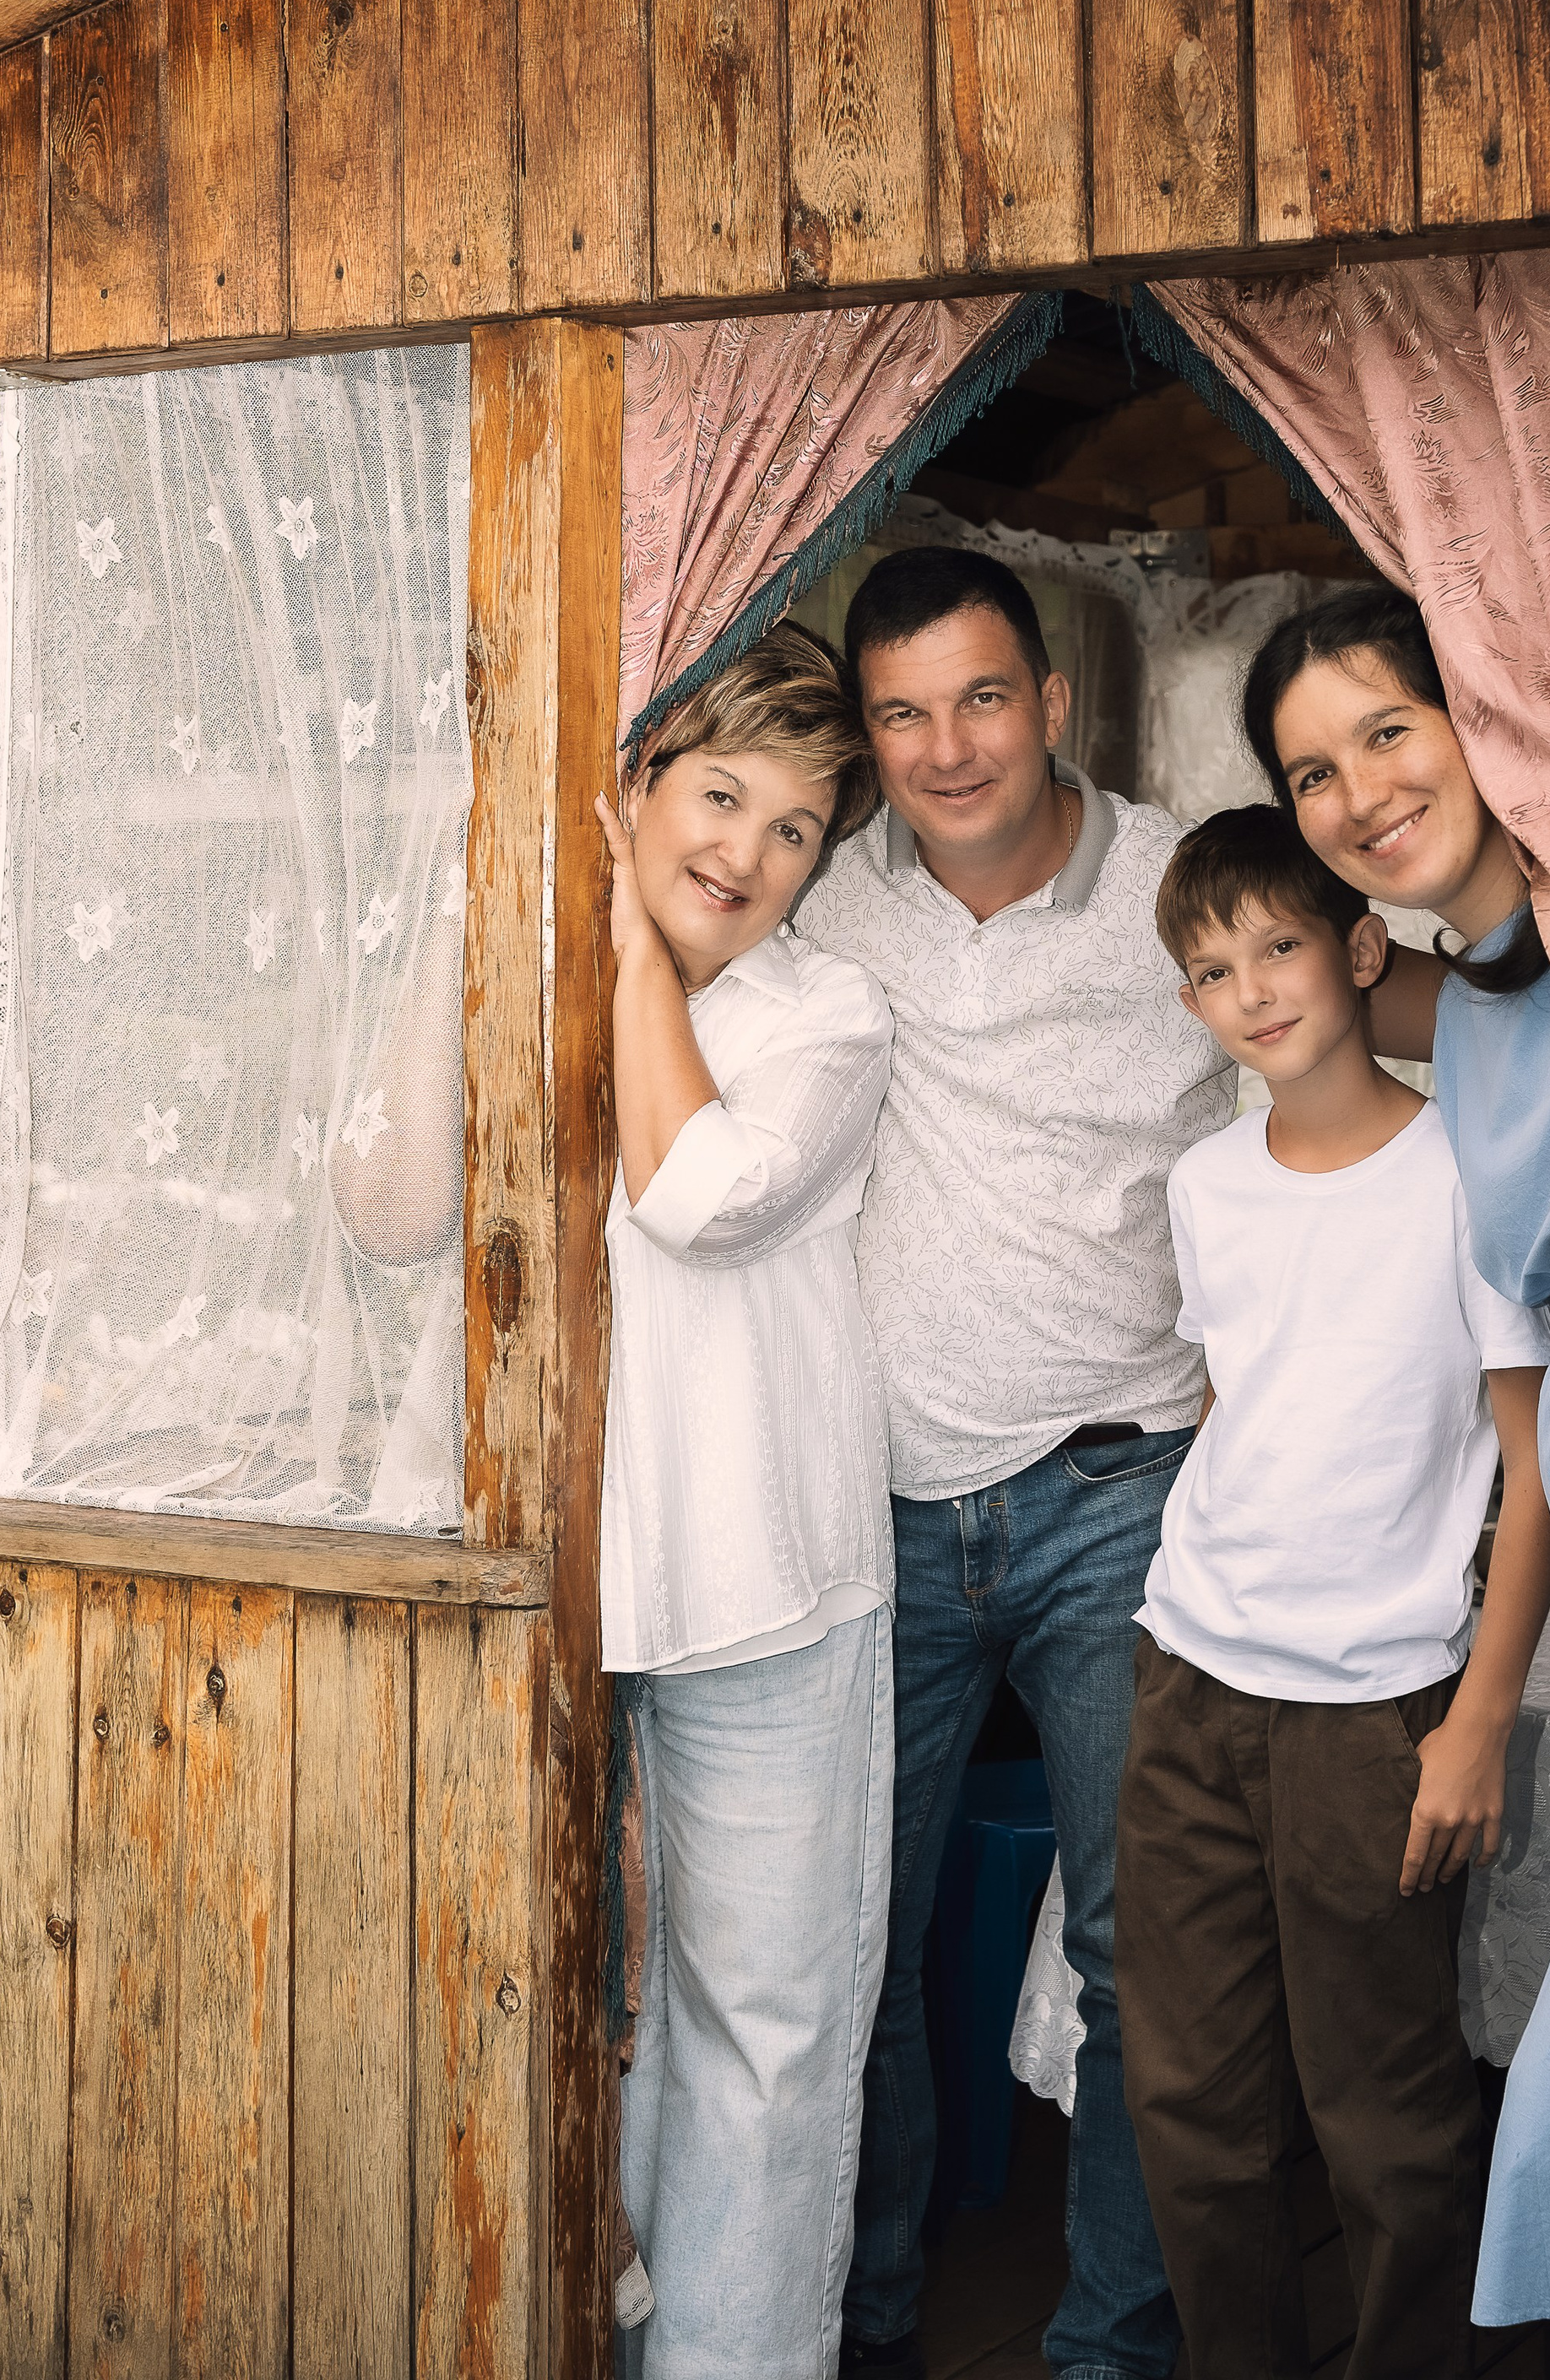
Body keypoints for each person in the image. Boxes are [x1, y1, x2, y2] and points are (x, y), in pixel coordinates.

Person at [796, 544, 1233, 2380]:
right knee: (849, 1945)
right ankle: (869, 2323)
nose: (947, 746)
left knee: (1148, 1958)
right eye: (901, 711)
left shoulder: (1179, 887)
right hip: (875, 1500)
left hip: (1118, 1486)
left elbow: (1366, 1024)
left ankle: (1105, 2351)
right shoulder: (820, 906)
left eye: (981, 696)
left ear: (1050, 697)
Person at [1114, 803, 1550, 2380]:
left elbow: (1535, 1473)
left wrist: (1479, 1721)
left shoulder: (1470, 1170)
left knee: (1384, 2117)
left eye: (1281, 946)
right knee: (1187, 2102)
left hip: (1377, 1710)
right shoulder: (1206, 1184)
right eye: (1211, 968)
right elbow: (1249, 1403)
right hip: (1189, 1676)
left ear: (1363, 949)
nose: (1251, 989)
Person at [1238, 582, 1550, 2350]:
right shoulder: (1484, 1005)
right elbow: (1528, 1392)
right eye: (1311, 770)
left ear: (1485, 708)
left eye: (1387, 728)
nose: (1358, 790)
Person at [594, 624, 894, 2380]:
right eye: (718, 793)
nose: (747, 852)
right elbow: (389, 1202)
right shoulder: (525, 962)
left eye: (794, 829)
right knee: (570, 2013)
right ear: (637, 784)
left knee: (763, 2030)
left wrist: (638, 949)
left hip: (768, 1587)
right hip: (563, 1589)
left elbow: (698, 1195)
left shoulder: (827, 1015)